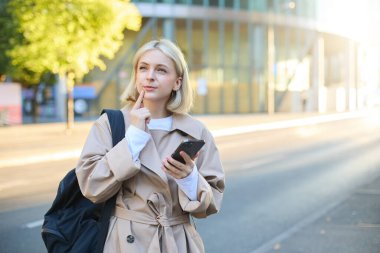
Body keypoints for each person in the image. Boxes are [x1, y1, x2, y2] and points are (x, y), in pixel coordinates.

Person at [75, 39, 225, 253]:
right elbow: (91, 186)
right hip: (123, 242)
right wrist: (134, 138)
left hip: (177, 242)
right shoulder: (111, 123)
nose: (150, 76)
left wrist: (189, 179)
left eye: (161, 70)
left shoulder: (196, 131)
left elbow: (211, 203)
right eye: (143, 68)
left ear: (177, 82)